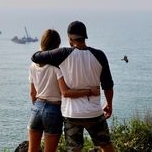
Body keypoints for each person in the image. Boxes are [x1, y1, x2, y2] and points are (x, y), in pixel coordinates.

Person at [31, 21, 115, 152]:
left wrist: (52, 53)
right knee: (106, 144)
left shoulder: (62, 54)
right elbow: (108, 85)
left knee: (74, 149)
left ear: (70, 38)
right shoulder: (99, 55)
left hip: (72, 114)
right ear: (85, 36)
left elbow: (35, 57)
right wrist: (109, 104)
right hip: (94, 112)